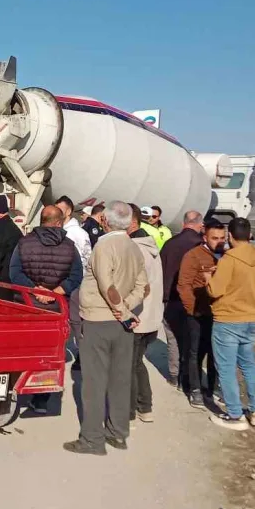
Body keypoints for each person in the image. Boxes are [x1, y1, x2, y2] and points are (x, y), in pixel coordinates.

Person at [64, 200, 148, 455]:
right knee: (120, 380)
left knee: (93, 383)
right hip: (122, 324)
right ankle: (118, 433)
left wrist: (121, 310)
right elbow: (144, 287)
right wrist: (127, 309)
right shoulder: (133, 248)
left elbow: (106, 285)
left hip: (99, 320)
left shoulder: (104, 246)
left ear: (104, 220)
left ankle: (92, 439)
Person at [9, 205, 84, 413]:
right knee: (50, 351)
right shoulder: (69, 246)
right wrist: (57, 291)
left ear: (42, 220)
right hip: (56, 308)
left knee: (24, 347)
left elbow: (14, 272)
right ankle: (41, 399)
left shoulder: (24, 243)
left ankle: (16, 389)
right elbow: (77, 275)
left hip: (26, 305)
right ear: (59, 223)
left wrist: (35, 289)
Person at [205, 217, 255, 430]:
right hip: (250, 318)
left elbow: (215, 290)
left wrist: (208, 278)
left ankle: (235, 415)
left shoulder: (229, 259)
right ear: (249, 235)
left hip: (228, 319)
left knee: (226, 368)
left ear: (230, 236)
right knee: (249, 365)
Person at [176, 218, 226, 409]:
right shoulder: (193, 255)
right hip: (198, 313)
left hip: (219, 314)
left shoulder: (226, 257)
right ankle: (194, 389)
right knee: (195, 352)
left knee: (216, 353)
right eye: (214, 238)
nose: (219, 241)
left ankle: (212, 387)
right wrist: (192, 310)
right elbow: (184, 285)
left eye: (222, 238)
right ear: (205, 237)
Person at [160, 210, 205, 388]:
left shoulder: (169, 244)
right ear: (200, 225)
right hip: (193, 299)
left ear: (183, 224)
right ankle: (187, 375)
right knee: (191, 339)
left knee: (172, 338)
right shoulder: (200, 245)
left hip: (169, 298)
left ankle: (173, 374)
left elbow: (160, 270)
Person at [128, 204, 163, 424]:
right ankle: (145, 407)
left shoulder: (134, 249)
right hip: (149, 317)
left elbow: (137, 287)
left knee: (128, 366)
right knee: (137, 363)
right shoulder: (149, 246)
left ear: (131, 223)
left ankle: (129, 411)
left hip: (136, 317)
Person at [55, 195, 93, 372]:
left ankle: (83, 355)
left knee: (77, 322)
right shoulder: (59, 230)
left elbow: (87, 259)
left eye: (60, 210)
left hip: (76, 285)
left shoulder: (78, 233)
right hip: (61, 285)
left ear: (68, 211)